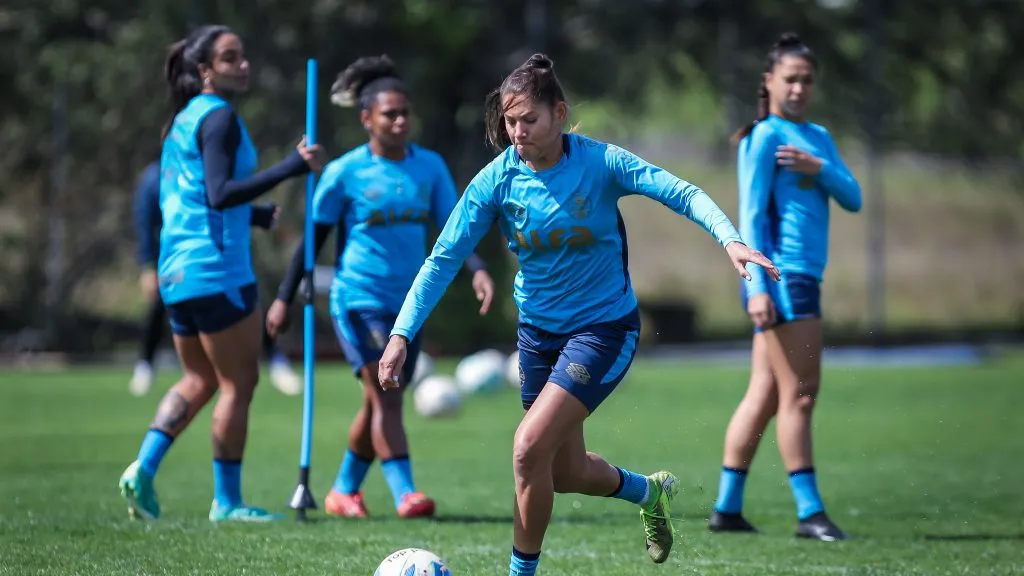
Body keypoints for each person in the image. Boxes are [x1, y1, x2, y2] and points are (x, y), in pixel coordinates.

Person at [375, 53, 780, 575]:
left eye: (529, 120)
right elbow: (442, 260)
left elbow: (681, 192)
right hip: (538, 336)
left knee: (526, 451)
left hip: (603, 330)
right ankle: (649, 493)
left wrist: (730, 239)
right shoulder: (497, 180)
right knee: (561, 472)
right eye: (509, 121)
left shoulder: (601, 163)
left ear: (559, 114)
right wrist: (402, 333)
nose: (516, 132)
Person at [266, 55, 496, 520]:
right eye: (389, 113)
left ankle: (343, 489)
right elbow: (313, 240)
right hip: (358, 300)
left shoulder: (429, 167)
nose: (399, 120)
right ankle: (406, 492)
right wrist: (283, 298)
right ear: (366, 118)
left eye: (405, 112)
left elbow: (456, 228)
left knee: (378, 401)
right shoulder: (344, 173)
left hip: (410, 305)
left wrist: (477, 268)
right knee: (387, 394)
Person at [117, 24, 326, 523]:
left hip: (177, 273)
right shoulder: (219, 119)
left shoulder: (181, 121)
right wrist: (292, 167)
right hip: (217, 271)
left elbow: (188, 199)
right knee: (238, 383)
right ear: (206, 71)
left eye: (243, 55)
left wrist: (252, 217)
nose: (244, 64)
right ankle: (227, 503)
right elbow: (217, 193)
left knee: (199, 378)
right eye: (231, 58)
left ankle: (141, 469)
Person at [708, 32, 862, 541]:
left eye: (807, 80)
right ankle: (809, 512)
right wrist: (755, 287)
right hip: (783, 276)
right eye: (790, 79)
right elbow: (751, 213)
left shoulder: (817, 136)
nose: (799, 88)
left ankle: (727, 509)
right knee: (801, 392)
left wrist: (820, 168)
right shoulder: (764, 137)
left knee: (767, 393)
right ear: (769, 82)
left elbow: (854, 196)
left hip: (799, 276)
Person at [128, 160, 303, 397]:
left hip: (215, 259)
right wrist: (148, 265)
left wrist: (257, 215)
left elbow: (219, 204)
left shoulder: (202, 169)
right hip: (175, 263)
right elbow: (148, 220)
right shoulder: (157, 177)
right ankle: (145, 365)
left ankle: (275, 361)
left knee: (247, 304)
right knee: (209, 378)